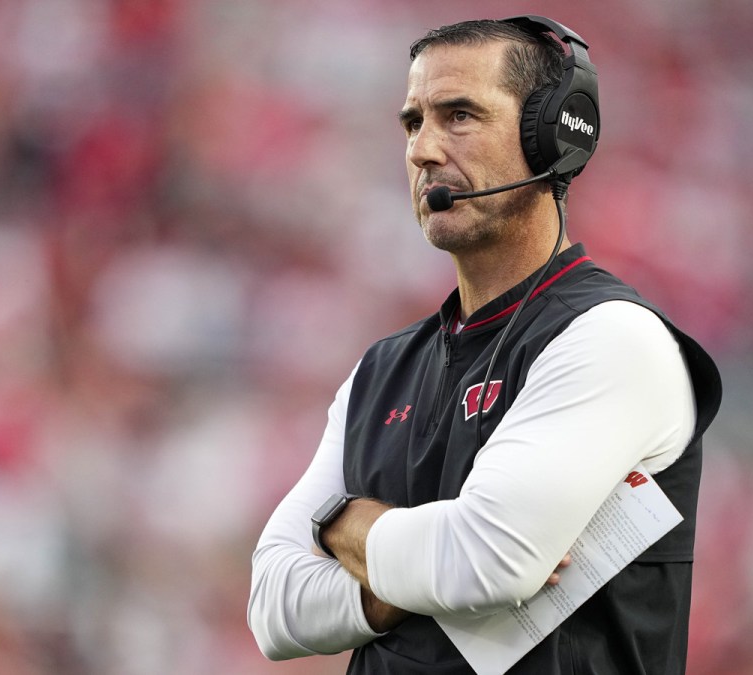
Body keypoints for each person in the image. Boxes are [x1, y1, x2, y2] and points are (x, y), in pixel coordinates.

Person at [248, 15, 721, 674]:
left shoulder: (614, 337)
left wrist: (340, 522)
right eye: (414, 123)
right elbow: (273, 605)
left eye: (460, 115)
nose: (423, 150)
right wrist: (408, 580)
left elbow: (483, 563)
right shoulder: (379, 369)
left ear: (555, 135)